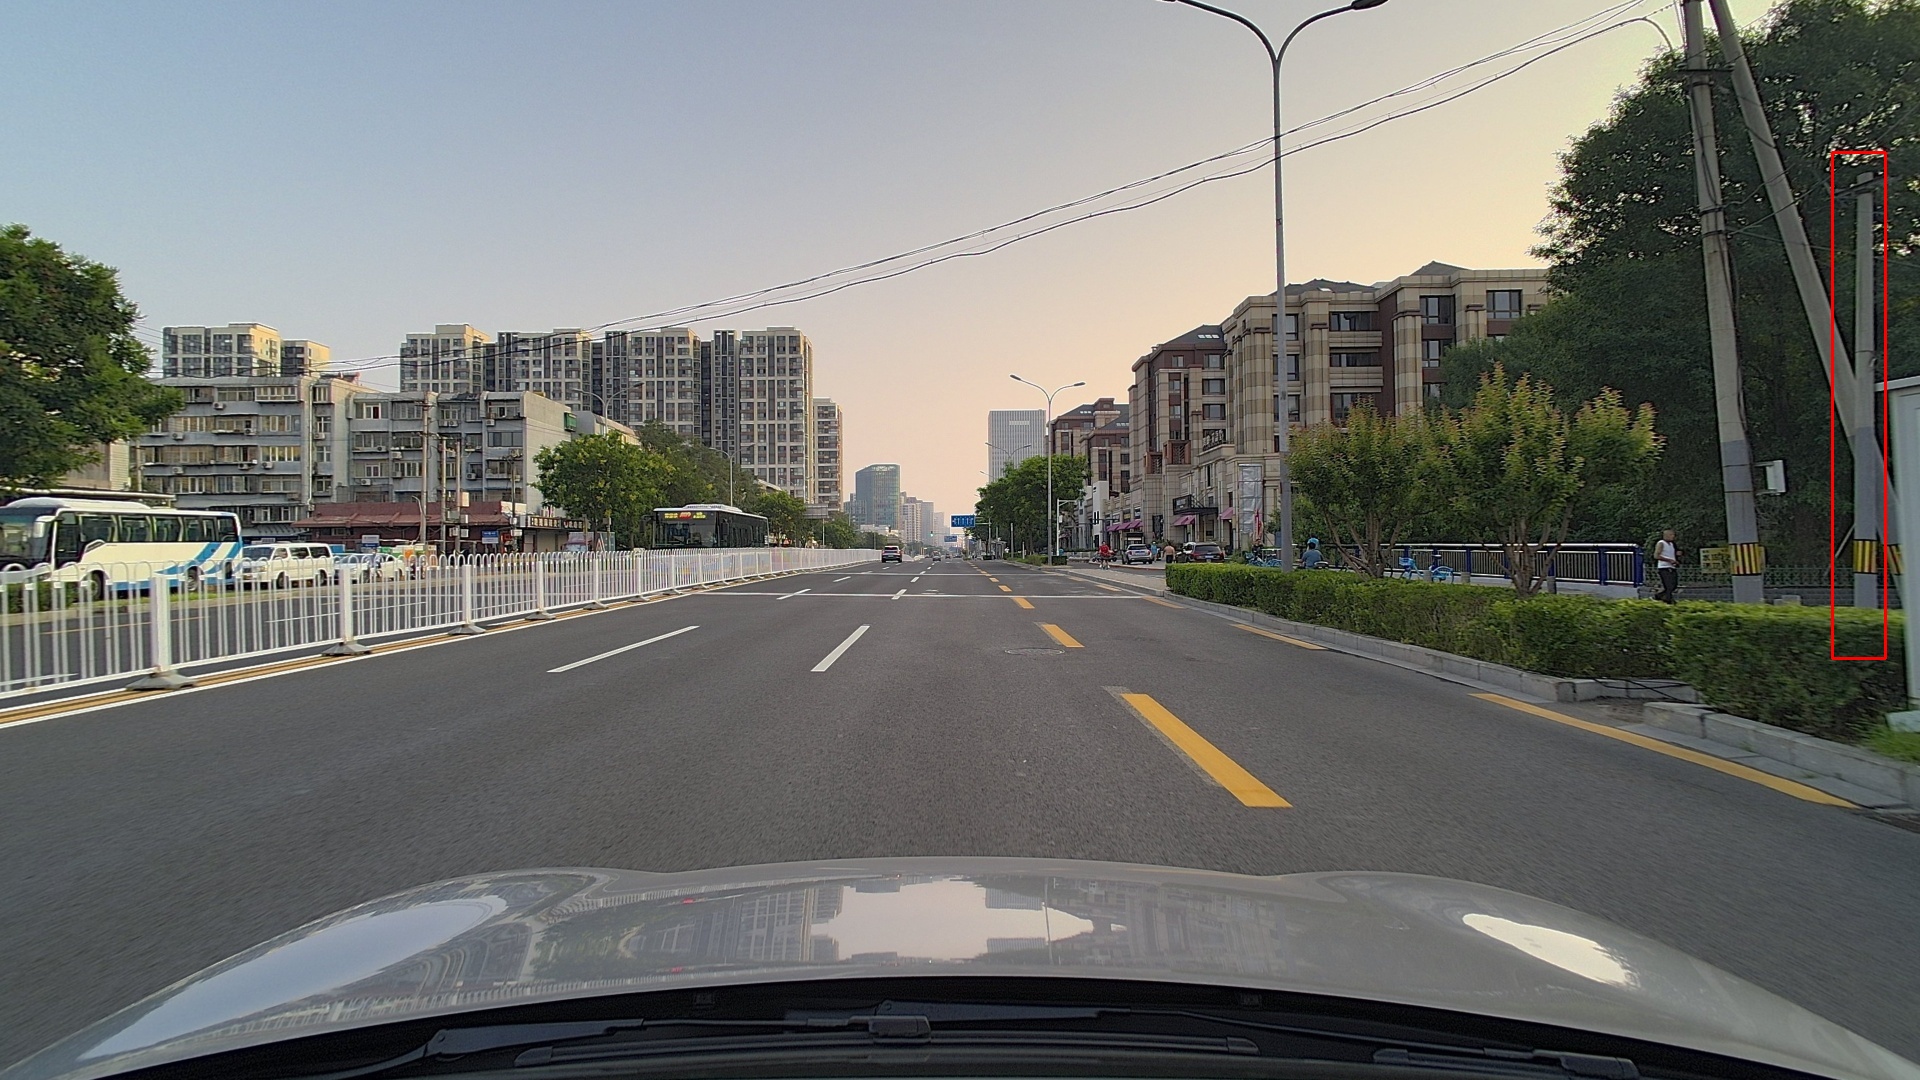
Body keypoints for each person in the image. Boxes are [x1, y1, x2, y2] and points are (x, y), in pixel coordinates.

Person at [1653, 529, 1679, 603]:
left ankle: (1659, 596)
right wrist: (1669, 560)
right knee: (1668, 585)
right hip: (1664, 567)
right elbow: (1656, 556)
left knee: (1674, 585)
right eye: (1671, 535)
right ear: (1666, 535)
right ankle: (1668, 600)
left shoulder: (1672, 544)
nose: (1673, 536)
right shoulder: (1661, 543)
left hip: (1672, 567)